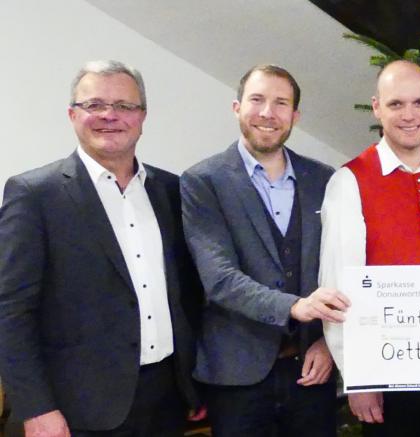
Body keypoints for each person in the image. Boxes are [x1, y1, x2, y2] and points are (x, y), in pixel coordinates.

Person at [0, 60, 202, 436]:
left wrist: (192, 385)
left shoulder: (171, 190)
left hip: (166, 399)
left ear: (142, 117)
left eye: (125, 106)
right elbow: (10, 310)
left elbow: (187, 294)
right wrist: (36, 407)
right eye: (94, 105)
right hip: (76, 407)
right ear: (72, 114)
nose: (110, 116)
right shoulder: (34, 195)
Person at [320, 60, 420, 436]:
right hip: (387, 368)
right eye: (396, 105)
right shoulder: (349, 181)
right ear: (377, 107)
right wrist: (359, 378)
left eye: (418, 103)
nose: (409, 115)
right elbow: (339, 287)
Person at [180, 64, 343, 435]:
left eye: (280, 103)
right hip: (237, 378)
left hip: (312, 371)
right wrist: (294, 307)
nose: (268, 113)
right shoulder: (203, 182)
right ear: (237, 107)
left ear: (295, 116)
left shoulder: (325, 180)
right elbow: (218, 279)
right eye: (257, 100)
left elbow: (339, 268)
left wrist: (329, 342)